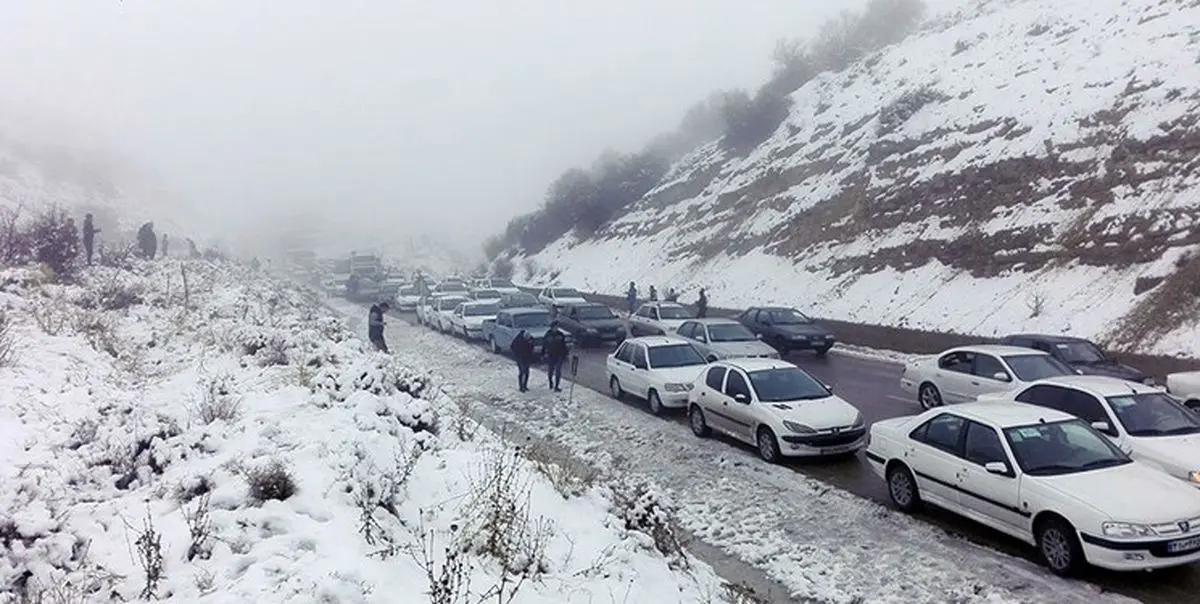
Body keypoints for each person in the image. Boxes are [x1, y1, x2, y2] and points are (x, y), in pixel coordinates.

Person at [544, 321, 570, 392]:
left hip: (559, 355)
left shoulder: (560, 334)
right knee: (551, 370)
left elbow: (563, 345)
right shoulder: (548, 335)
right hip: (551, 355)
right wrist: (543, 353)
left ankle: (556, 386)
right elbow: (545, 345)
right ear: (552, 327)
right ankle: (550, 382)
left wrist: (565, 353)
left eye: (557, 327)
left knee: (558, 371)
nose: (556, 328)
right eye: (555, 327)